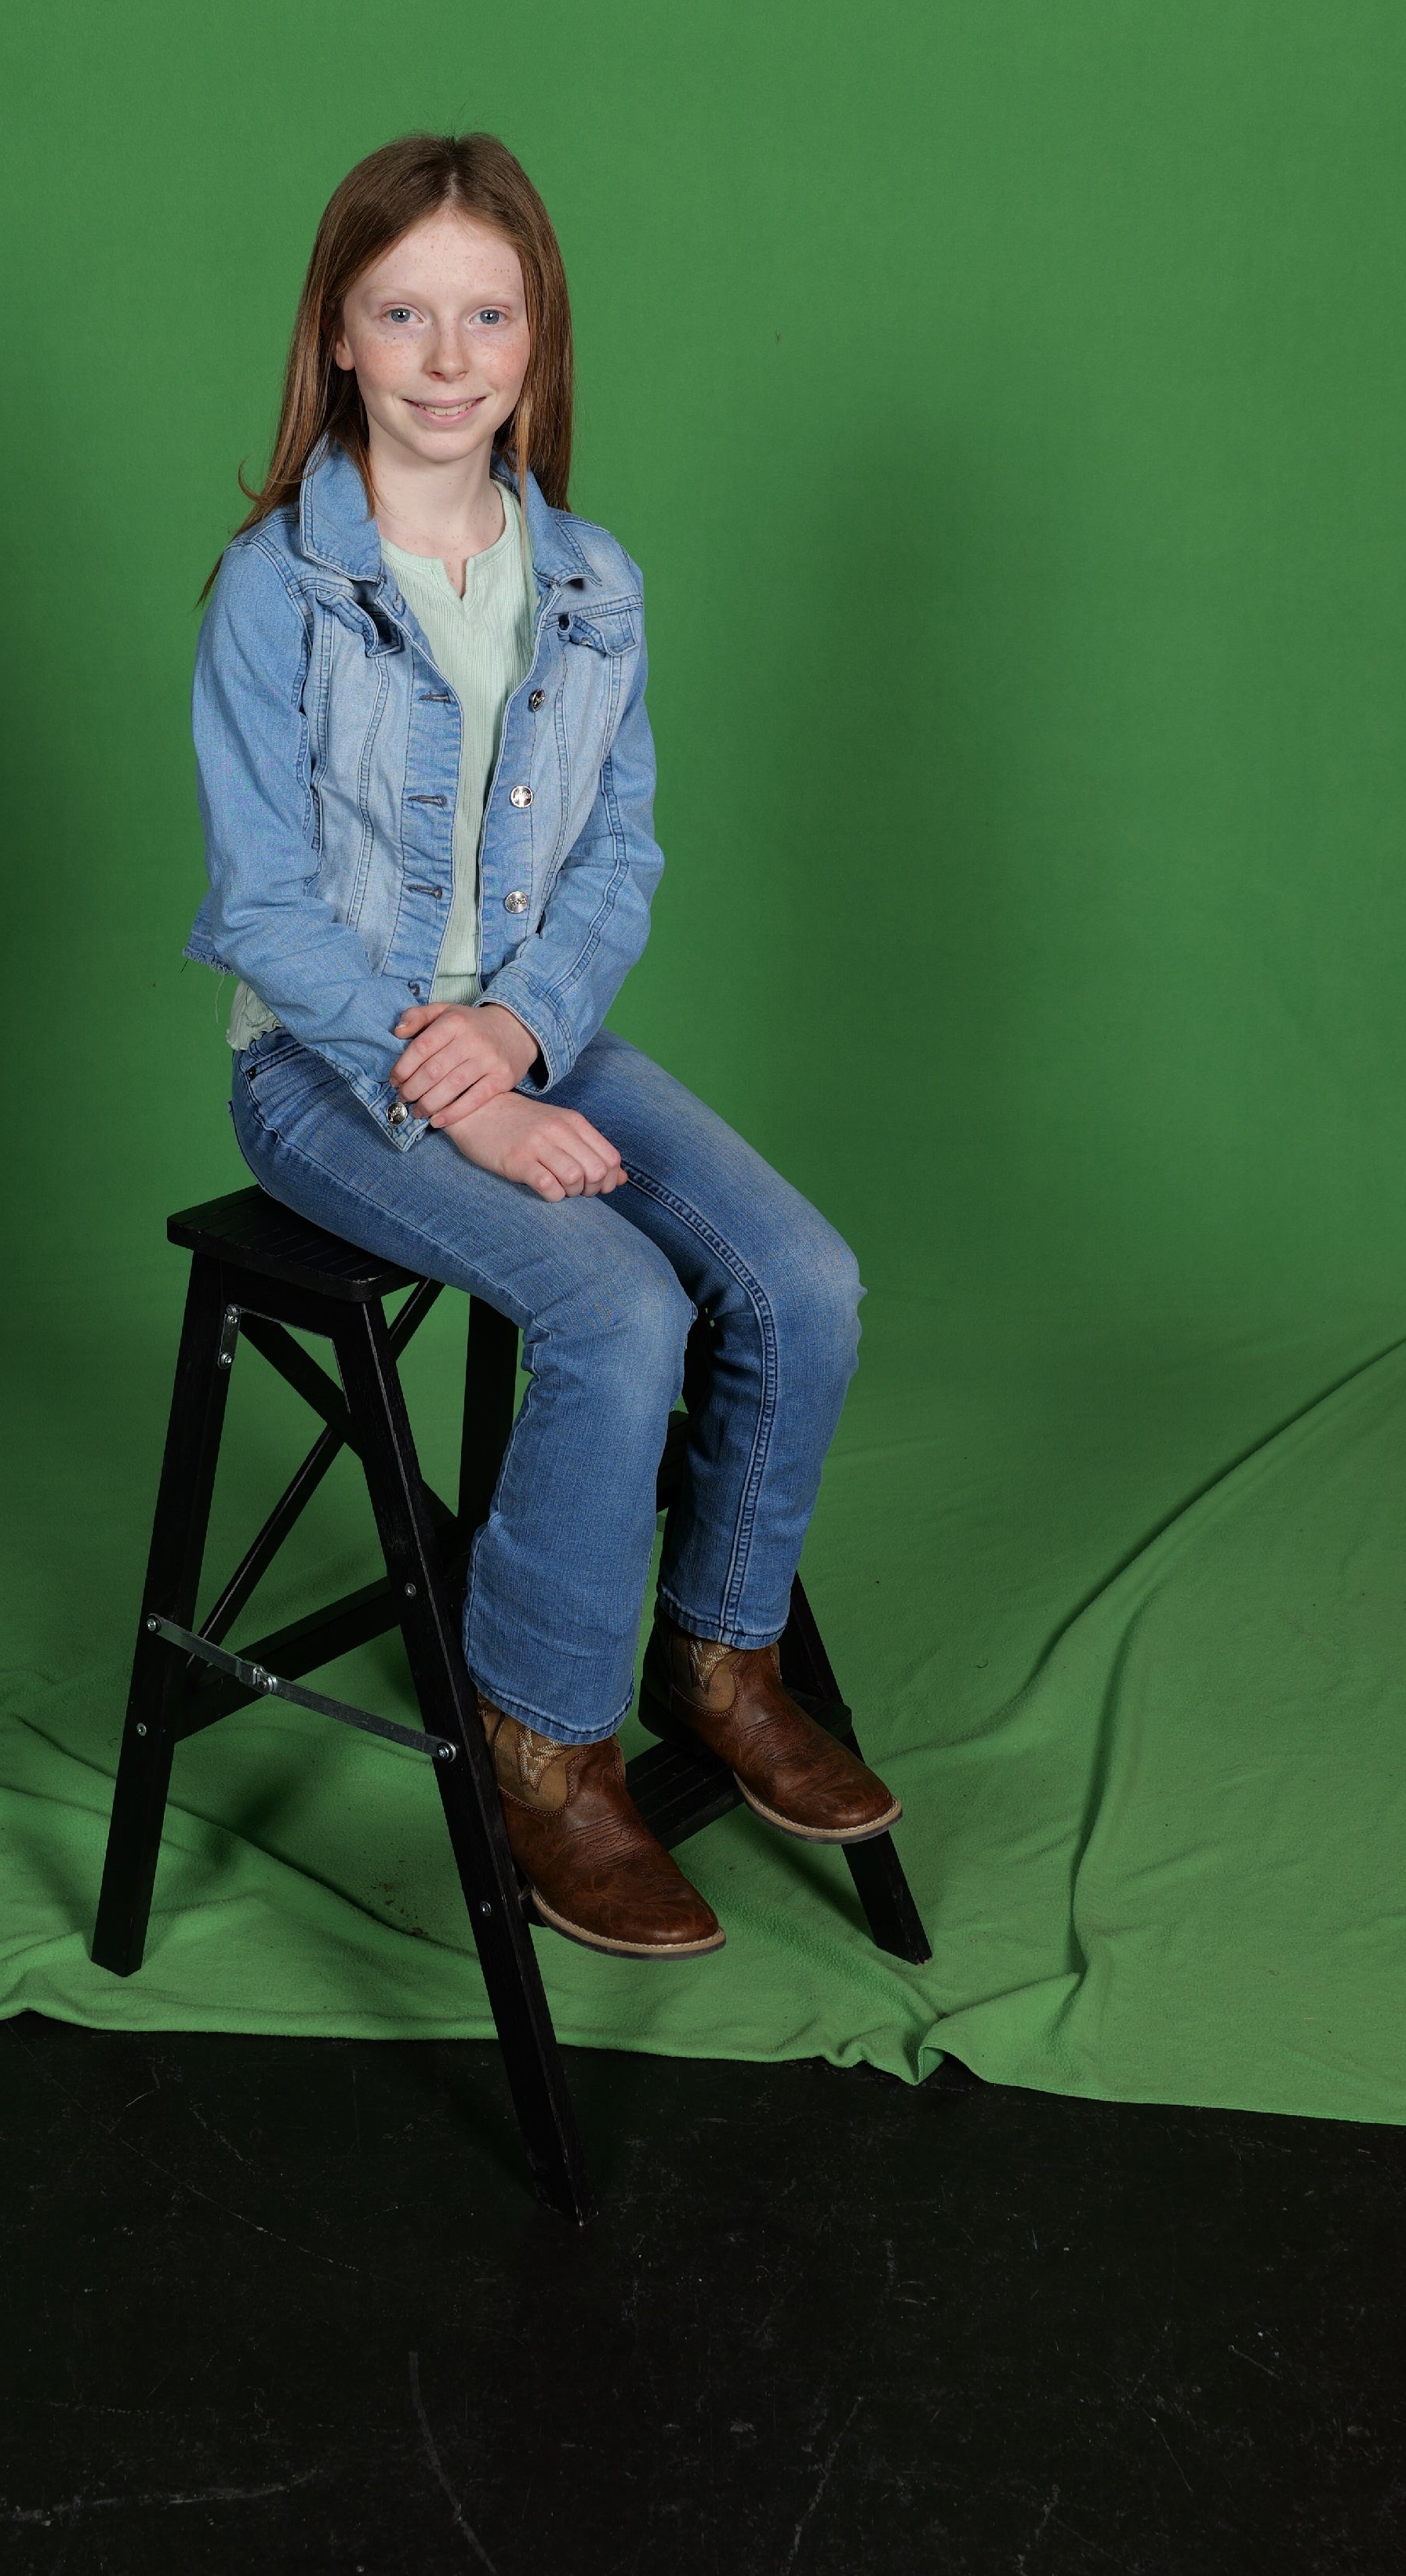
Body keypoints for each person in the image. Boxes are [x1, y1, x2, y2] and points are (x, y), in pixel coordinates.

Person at [186, 132, 900, 1961]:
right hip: (323, 1069)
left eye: (487, 316)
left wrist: (516, 1032)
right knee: (617, 1311)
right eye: (401, 315)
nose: (448, 359)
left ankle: (717, 1661)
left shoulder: (589, 579)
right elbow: (263, 903)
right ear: (335, 336)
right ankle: (542, 1743)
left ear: (538, 337)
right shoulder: (277, 586)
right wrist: (460, 1096)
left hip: (541, 1031)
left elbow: (618, 856)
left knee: (804, 1280)